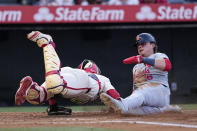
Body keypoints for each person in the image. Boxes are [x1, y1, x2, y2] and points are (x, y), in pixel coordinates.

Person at [15, 31, 120, 115]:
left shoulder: (76, 73)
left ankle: (31, 87)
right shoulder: (100, 78)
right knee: (56, 84)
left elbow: (52, 94)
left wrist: (53, 106)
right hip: (84, 81)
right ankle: (48, 44)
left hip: (66, 74)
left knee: (38, 97)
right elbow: (115, 95)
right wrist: (122, 105)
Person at [100, 33, 181, 115]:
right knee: (129, 112)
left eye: (143, 43)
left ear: (152, 45)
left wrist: (142, 59)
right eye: (138, 45)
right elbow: (136, 89)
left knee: (141, 92)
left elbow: (167, 66)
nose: (139, 46)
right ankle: (164, 110)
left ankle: (123, 103)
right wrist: (130, 101)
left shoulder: (158, 56)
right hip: (145, 96)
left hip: (160, 92)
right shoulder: (136, 67)